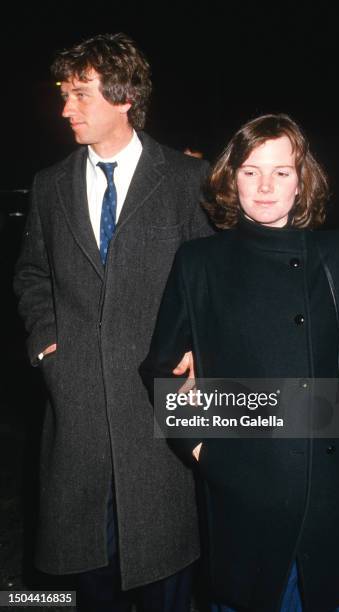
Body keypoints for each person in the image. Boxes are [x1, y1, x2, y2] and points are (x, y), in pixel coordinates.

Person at [140, 114, 339, 611]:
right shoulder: (199, 261)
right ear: (232, 179)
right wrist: (204, 448)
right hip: (241, 487)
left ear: (303, 182)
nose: (266, 186)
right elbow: (161, 367)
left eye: (282, 171)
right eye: (251, 171)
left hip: (328, 490)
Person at [14, 33, 212, 612]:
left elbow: (209, 282)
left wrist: (199, 348)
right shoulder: (51, 184)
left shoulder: (184, 180)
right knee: (79, 574)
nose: (65, 107)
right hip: (75, 408)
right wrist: (48, 344)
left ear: (124, 97)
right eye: (63, 93)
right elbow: (32, 275)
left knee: (164, 571)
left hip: (158, 408)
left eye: (79, 93)